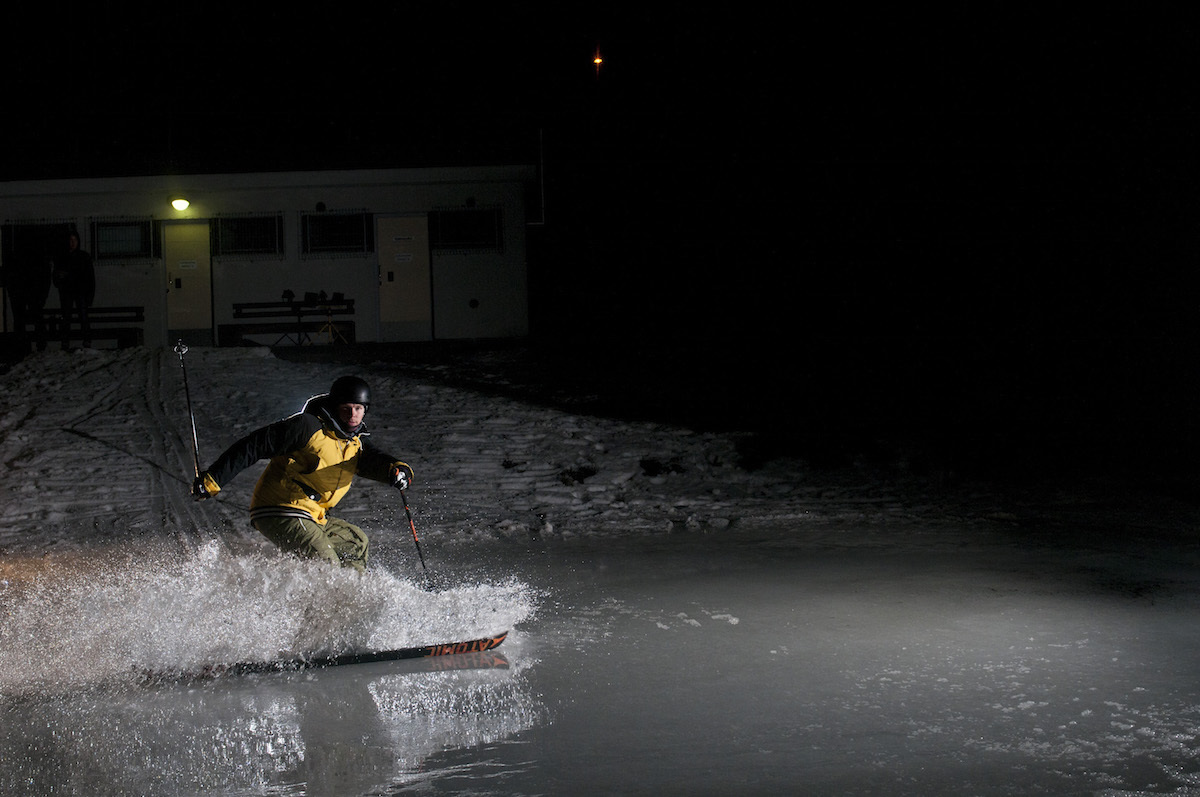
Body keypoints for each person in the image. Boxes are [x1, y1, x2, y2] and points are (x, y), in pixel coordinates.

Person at [192, 376, 415, 573]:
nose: (352, 415)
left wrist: (396, 470)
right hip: (282, 508)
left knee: (355, 543)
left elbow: (373, 459)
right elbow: (253, 445)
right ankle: (323, 612)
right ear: (335, 406)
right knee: (326, 562)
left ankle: (351, 601)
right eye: (346, 408)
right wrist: (213, 479)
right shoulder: (307, 427)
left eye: (359, 409)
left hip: (312, 514)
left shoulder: (353, 442)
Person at [52, 231, 95, 348]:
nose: (72, 243)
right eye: (70, 240)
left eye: (74, 240)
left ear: (78, 241)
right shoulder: (62, 257)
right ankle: (66, 341)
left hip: (80, 292)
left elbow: (90, 277)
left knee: (82, 316)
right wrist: (60, 282)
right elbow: (55, 275)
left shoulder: (83, 257)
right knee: (67, 316)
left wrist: (89, 296)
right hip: (67, 292)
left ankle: (86, 340)